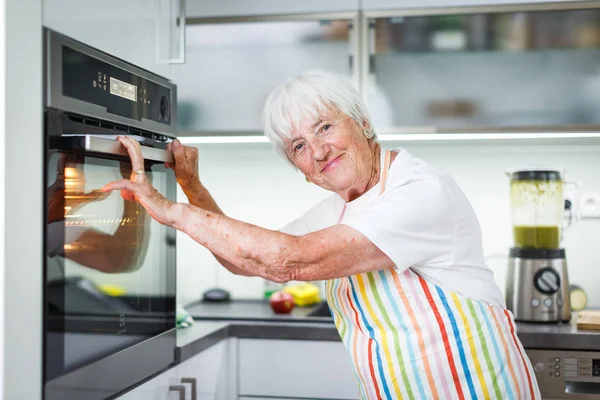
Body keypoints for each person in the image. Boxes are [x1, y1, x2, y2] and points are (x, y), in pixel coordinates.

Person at [102, 70, 540, 399]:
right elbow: (246, 260)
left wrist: (168, 209)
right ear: (301, 172)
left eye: (325, 127)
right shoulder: (338, 209)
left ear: (363, 123)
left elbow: (288, 259)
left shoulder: (420, 191)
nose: (317, 151)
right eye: (298, 147)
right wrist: (192, 188)